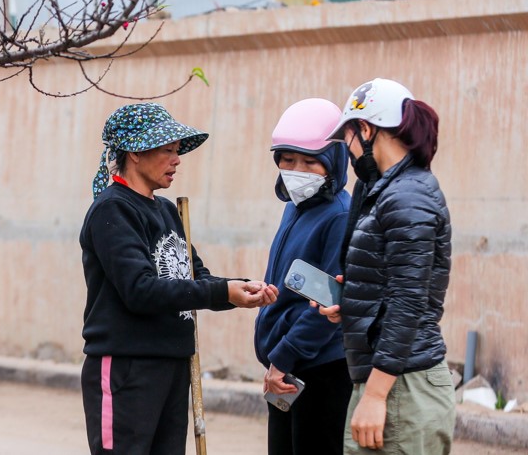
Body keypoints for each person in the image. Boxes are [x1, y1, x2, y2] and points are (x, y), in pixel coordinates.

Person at [81, 102, 278, 455]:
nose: (177, 160)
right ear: (135, 154)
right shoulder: (113, 210)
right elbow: (139, 290)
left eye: (177, 151)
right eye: (167, 150)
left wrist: (237, 290)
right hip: (128, 366)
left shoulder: (168, 211)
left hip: (173, 363)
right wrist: (221, 292)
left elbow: (194, 277)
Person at [319, 78, 453, 454]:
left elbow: (409, 302)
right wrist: (352, 305)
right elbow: (391, 284)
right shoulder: (386, 191)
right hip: (388, 379)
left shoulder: (407, 195)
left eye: (345, 138)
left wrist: (376, 396)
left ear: (365, 128)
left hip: (400, 387)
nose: (345, 151)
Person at [254, 98, 353, 455]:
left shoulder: (339, 216)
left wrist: (284, 356)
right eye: (288, 159)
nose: (296, 169)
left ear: (334, 162)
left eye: (311, 161)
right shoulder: (294, 209)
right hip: (289, 366)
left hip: (320, 368)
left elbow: (328, 301)